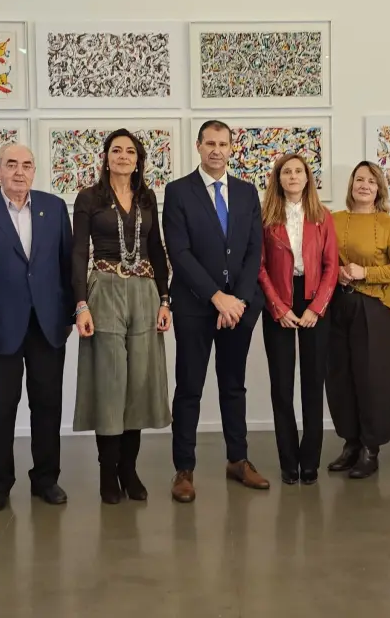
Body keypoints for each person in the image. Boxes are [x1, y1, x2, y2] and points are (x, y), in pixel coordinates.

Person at [0, 143, 74, 513]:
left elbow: (67, 267)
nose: (19, 171)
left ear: (34, 170)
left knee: (47, 406)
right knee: (2, 409)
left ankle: (46, 479)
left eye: (26, 165)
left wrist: (68, 317)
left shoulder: (54, 208)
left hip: (47, 326)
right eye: (11, 164)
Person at [163, 119, 269, 502]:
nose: (216, 150)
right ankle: (184, 469)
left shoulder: (246, 191)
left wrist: (237, 299)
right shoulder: (178, 191)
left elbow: (254, 250)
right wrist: (215, 296)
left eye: (223, 144)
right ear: (198, 146)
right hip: (194, 305)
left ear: (231, 148)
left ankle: (238, 460)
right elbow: (179, 252)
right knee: (189, 387)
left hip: (238, 308)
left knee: (233, 385)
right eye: (210, 143)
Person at [71, 129, 172, 504]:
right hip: (105, 288)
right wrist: (81, 304)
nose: (124, 156)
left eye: (130, 151)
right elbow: (79, 252)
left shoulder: (147, 197)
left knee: (139, 383)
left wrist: (165, 299)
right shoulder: (89, 198)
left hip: (144, 291)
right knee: (110, 382)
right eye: (117, 150)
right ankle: (107, 471)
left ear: (138, 160)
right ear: (106, 157)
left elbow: (156, 249)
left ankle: (129, 470)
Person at [326, 162, 390, 478]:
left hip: (374, 308)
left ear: (379, 189)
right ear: (351, 185)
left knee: (373, 378)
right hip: (337, 305)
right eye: (359, 179)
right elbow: (320, 259)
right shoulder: (332, 219)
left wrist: (366, 272)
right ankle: (350, 443)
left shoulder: (388, 224)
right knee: (340, 376)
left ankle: (370, 448)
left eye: (371, 181)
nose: (364, 185)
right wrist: (336, 273)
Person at [258, 154, 338, 485]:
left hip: (313, 299)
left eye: (298, 171)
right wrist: (277, 306)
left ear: (307, 178)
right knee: (281, 385)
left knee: (313, 384)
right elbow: (259, 266)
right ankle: (288, 461)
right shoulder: (265, 218)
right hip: (279, 300)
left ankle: (310, 461)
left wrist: (317, 307)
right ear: (278, 179)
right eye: (286, 172)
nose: (293, 176)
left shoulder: (323, 217)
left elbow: (332, 265)